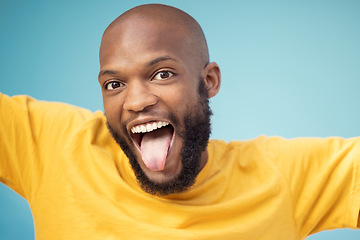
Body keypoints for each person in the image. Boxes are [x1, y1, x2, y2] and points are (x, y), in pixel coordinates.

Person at [0, 3, 359, 239]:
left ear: (209, 80)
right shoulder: (52, 144)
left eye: (162, 74)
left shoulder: (281, 175)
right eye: (114, 84)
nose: (137, 101)